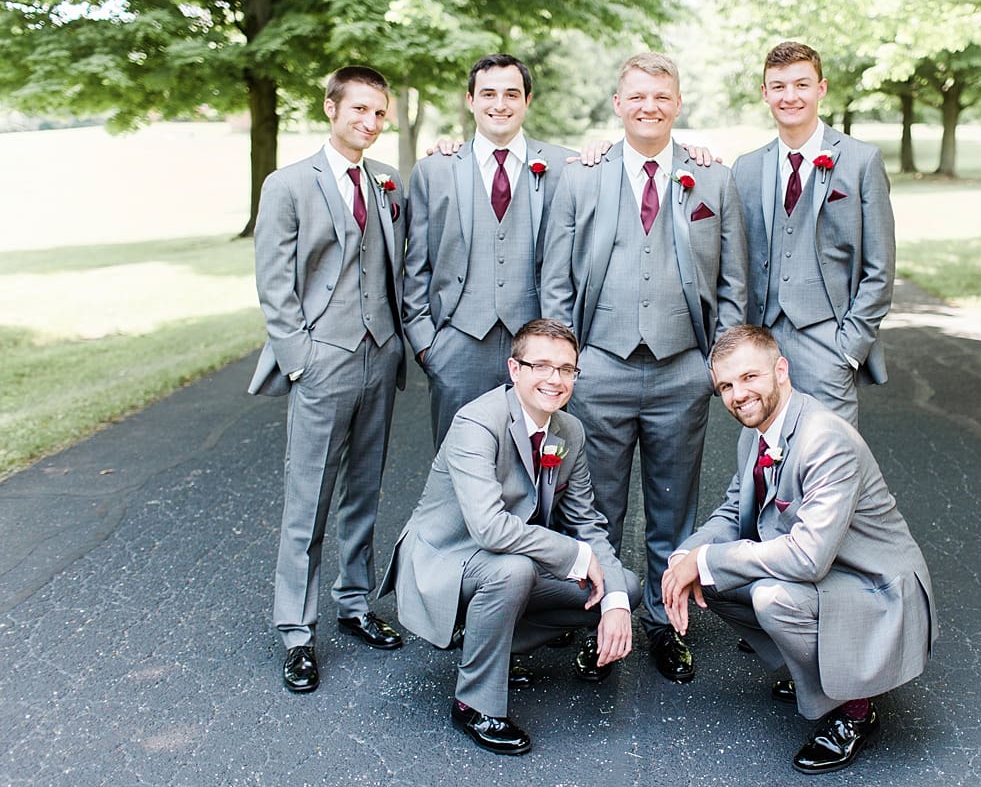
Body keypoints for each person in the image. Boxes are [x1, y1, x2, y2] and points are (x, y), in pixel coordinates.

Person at [541, 52, 748, 684]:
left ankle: (666, 622)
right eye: (637, 96)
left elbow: (734, 280)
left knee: (674, 507)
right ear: (618, 102)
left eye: (661, 96)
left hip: (682, 366)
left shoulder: (711, 178)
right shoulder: (581, 177)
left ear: (677, 103)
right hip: (599, 366)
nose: (649, 106)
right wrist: (566, 364)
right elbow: (555, 281)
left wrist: (719, 364)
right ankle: (598, 619)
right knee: (596, 509)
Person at [661, 325, 936, 774]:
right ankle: (819, 672)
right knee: (708, 580)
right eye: (726, 385)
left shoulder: (825, 438)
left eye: (750, 377)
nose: (738, 394)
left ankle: (855, 712)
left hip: (875, 586)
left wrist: (706, 561)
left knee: (770, 597)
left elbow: (808, 558)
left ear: (781, 370)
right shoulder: (755, 434)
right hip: (830, 574)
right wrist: (683, 558)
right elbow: (732, 512)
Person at [378, 319, 638, 756]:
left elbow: (588, 523)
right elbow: (489, 527)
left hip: (509, 558)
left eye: (566, 369)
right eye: (541, 366)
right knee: (514, 572)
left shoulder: (568, 432)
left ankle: (497, 648)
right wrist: (573, 554)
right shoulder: (476, 422)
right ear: (514, 369)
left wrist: (614, 604)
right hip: (449, 558)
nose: (554, 379)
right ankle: (473, 704)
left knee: (625, 586)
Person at [249, 65, 407, 694]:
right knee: (308, 497)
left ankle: (355, 604)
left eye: (379, 112)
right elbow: (274, 283)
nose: (369, 122)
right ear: (331, 108)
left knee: (364, 490)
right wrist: (300, 360)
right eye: (358, 109)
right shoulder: (288, 184)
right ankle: (296, 631)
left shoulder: (388, 181)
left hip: (381, 355)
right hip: (323, 359)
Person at [404, 53, 575, 447]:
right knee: (456, 464)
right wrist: (427, 346)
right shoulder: (435, 170)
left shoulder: (564, 167)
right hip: (457, 344)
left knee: (536, 465)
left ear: (527, 101)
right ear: (470, 100)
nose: (500, 104)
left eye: (512, 94)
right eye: (488, 94)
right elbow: (417, 266)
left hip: (539, 347)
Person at [731, 42, 897, 428]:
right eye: (778, 86)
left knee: (833, 457)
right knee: (767, 456)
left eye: (801, 85)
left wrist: (850, 347)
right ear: (765, 93)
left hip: (829, 340)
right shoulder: (746, 168)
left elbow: (880, 267)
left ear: (820, 89)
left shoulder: (860, 161)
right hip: (762, 343)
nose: (790, 96)